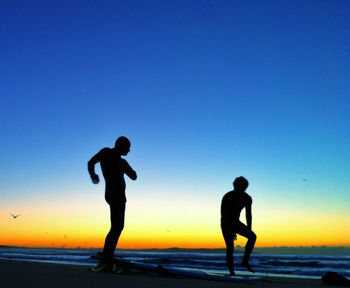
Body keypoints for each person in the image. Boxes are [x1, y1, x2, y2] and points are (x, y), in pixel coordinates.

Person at [88, 136, 137, 271]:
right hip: (114, 194)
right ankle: (106, 259)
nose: (129, 150)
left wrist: (125, 167)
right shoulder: (106, 152)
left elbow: (134, 176)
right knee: (117, 227)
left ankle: (107, 257)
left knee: (117, 227)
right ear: (120, 145)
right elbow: (91, 162)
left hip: (119, 196)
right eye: (128, 147)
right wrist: (93, 175)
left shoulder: (123, 161)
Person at [220, 176, 256, 276]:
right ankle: (232, 272)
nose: (238, 187)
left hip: (236, 222)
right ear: (234, 185)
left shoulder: (247, 198)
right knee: (230, 247)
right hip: (225, 222)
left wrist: (249, 229)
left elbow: (248, 215)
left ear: (245, 187)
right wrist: (232, 231)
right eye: (236, 185)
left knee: (252, 236)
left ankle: (245, 261)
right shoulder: (228, 196)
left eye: (242, 186)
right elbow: (224, 214)